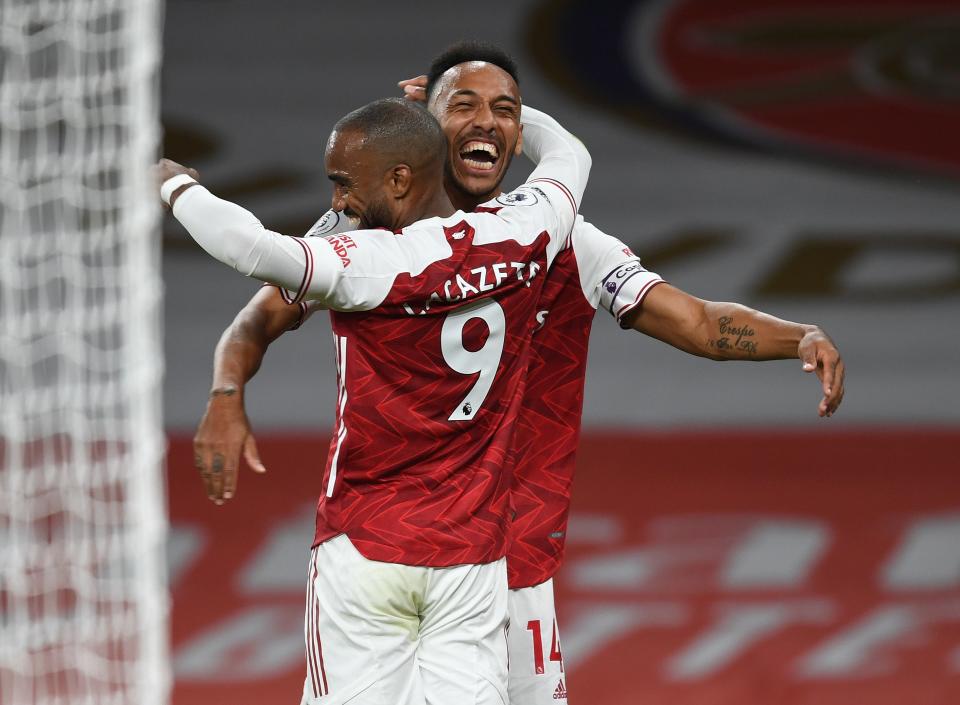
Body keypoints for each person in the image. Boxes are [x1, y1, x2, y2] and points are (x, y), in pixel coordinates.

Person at [193, 42, 845, 705]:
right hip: (389, 547)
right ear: (422, 129)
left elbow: (697, 321)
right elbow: (257, 320)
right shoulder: (364, 231)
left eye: (505, 111)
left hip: (510, 561)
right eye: (464, 106)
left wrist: (799, 337)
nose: (486, 124)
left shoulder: (564, 240)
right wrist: (226, 390)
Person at [158, 95, 591, 704]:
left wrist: (176, 187)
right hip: (472, 558)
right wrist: (514, 118)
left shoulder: (368, 263)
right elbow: (569, 157)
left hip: (365, 550)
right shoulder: (526, 231)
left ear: (399, 178)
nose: (337, 202)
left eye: (342, 184)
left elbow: (250, 248)